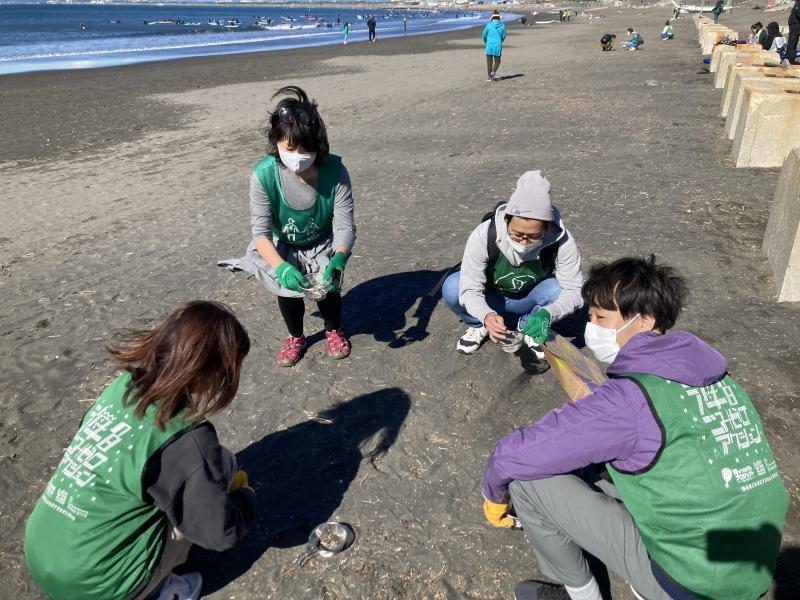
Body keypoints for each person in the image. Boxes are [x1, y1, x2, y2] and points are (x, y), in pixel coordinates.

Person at [482, 256, 789, 600]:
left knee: (525, 481)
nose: (591, 326)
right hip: (752, 568)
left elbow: (519, 453)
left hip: (691, 581)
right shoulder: (712, 374)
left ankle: (584, 596)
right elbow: (627, 414)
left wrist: (494, 495)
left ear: (644, 320)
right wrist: (553, 343)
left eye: (601, 317)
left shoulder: (629, 400)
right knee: (603, 461)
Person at [24, 301, 256, 600]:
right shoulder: (187, 438)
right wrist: (245, 499)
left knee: (218, 464)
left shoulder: (122, 386)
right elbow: (221, 533)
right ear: (210, 370)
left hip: (42, 550)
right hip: (94, 585)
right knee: (217, 481)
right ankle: (159, 590)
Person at [218, 86, 356, 367]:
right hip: (284, 243)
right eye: (289, 148)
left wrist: (339, 256)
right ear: (276, 142)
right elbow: (261, 234)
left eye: (305, 149)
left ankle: (333, 329)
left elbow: (344, 224)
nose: (297, 156)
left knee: (328, 289)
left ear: (318, 145)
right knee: (288, 290)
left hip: (323, 239)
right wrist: (281, 266)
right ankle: (296, 335)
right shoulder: (263, 176)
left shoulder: (335, 172)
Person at [442, 170, 585, 357]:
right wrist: (485, 315)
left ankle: (531, 325)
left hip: (529, 299)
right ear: (507, 219)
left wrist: (549, 314)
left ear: (547, 228)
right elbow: (470, 289)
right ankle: (478, 325)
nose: (524, 242)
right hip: (492, 297)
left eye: (533, 236)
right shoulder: (485, 233)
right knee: (453, 286)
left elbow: (574, 292)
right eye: (517, 234)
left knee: (556, 290)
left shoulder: (561, 240)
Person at [482, 11, 507, 82]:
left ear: (492, 18)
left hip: (489, 45)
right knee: (497, 61)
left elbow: (483, 35)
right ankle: (493, 72)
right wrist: (500, 41)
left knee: (489, 62)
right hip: (497, 45)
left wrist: (486, 42)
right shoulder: (502, 25)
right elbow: (504, 35)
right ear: (499, 18)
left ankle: (490, 77)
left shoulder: (488, 25)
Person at [787, 0, 800, 65]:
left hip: (795, 26)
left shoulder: (798, 3)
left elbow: (799, 13)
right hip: (796, 26)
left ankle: (790, 61)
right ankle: (791, 60)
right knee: (793, 44)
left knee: (791, 45)